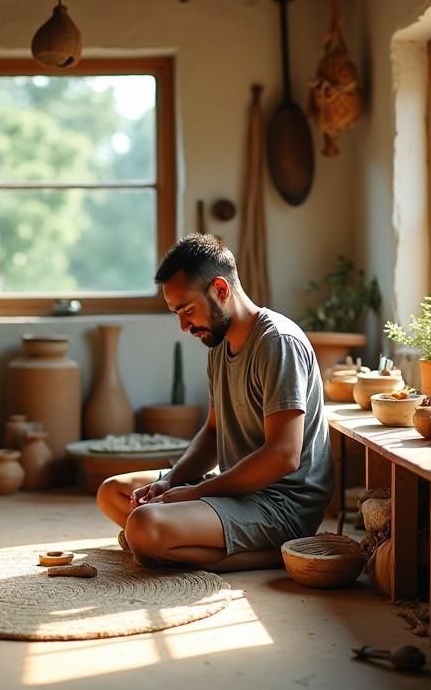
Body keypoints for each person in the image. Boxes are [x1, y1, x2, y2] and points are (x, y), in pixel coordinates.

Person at [97, 234, 333, 571]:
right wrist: (171, 481)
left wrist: (195, 494)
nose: (183, 326)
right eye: (176, 313)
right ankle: (169, 547)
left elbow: (283, 456)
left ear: (220, 290)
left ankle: (271, 554)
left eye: (187, 310)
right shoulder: (219, 344)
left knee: (144, 525)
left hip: (280, 504)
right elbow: (211, 433)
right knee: (113, 493)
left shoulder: (278, 342)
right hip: (234, 490)